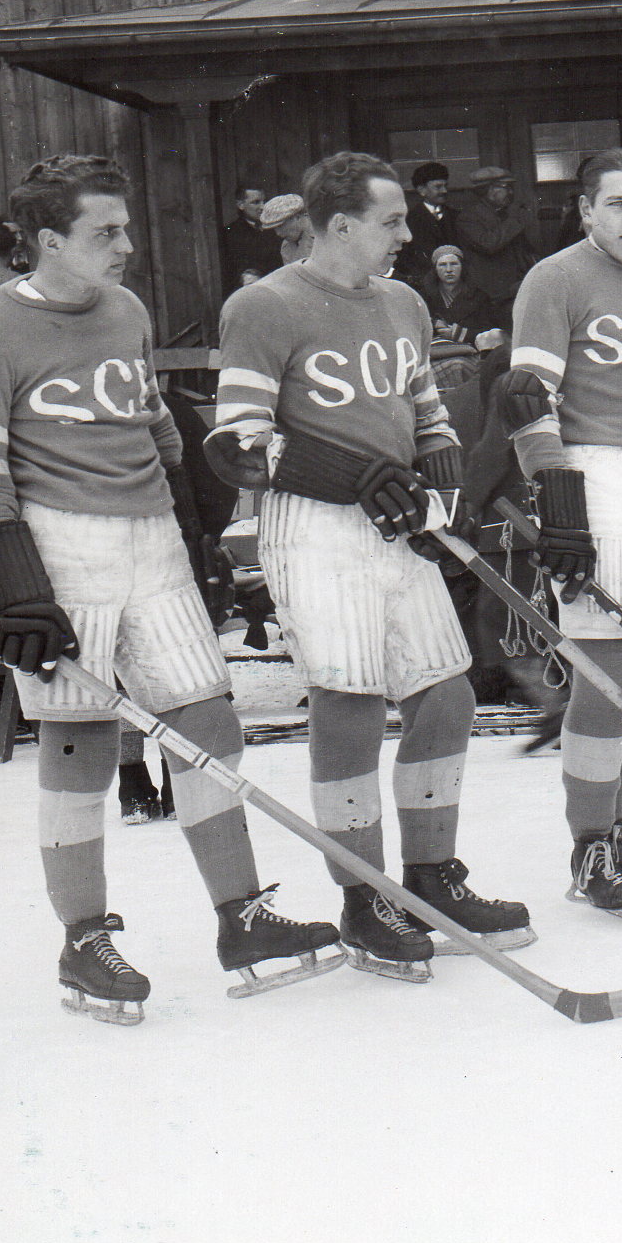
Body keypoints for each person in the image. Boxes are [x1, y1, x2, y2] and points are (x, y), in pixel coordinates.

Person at [0, 154, 339, 1024]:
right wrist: (15, 587)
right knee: (79, 748)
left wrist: (197, 525)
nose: (127, 245)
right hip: (58, 547)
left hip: (151, 542)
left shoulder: (124, 309)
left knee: (209, 725)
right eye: (105, 232)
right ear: (48, 242)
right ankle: (85, 941)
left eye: (125, 227)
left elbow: (151, 419)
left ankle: (244, 919)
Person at [206, 151, 531, 979]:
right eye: (392, 220)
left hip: (398, 522)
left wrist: (442, 505)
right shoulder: (262, 305)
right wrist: (353, 476)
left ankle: (432, 877)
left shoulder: (404, 301)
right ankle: (365, 898)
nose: (408, 232)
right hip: (315, 524)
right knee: (347, 700)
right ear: (340, 224)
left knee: (446, 693)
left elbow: (427, 417)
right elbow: (239, 445)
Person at [503, 146, 622, 921]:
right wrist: (560, 501)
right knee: (605, 667)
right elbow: (525, 399)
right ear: (585, 210)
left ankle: (612, 832)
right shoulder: (553, 279)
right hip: (590, 474)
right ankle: (587, 850)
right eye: (617, 204)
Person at [454, 166, 535, 327]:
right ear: (489, 190)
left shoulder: (505, 215)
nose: (511, 193)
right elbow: (488, 244)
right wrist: (514, 220)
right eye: (506, 188)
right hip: (492, 295)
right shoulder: (468, 218)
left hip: (515, 289)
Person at [400, 162, 456, 284]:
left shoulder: (455, 216)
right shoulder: (410, 220)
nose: (444, 190)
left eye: (446, 185)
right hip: (425, 283)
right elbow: (405, 259)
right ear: (422, 190)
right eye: (438, 186)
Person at [220, 185, 278, 286]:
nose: (263, 207)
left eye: (264, 201)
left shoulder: (275, 228)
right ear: (241, 205)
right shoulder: (231, 233)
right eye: (256, 202)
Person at [259, 193, 312, 266]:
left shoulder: (325, 233)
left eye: (281, 226)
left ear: (297, 217)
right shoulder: (286, 248)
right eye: (275, 229)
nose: (278, 233)